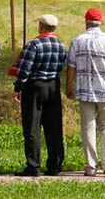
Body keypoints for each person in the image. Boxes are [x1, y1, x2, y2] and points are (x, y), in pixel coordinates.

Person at [65, 8, 105, 177]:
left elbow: (71, 66)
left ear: (86, 22)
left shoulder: (77, 41)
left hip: (85, 90)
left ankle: (91, 166)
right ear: (101, 21)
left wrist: (69, 86)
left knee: (88, 128)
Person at [13, 13, 67, 177]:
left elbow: (24, 69)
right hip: (53, 85)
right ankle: (55, 164)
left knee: (32, 126)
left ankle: (33, 165)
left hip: (35, 86)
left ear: (41, 26)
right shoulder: (60, 45)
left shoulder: (33, 45)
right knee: (54, 126)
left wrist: (18, 87)